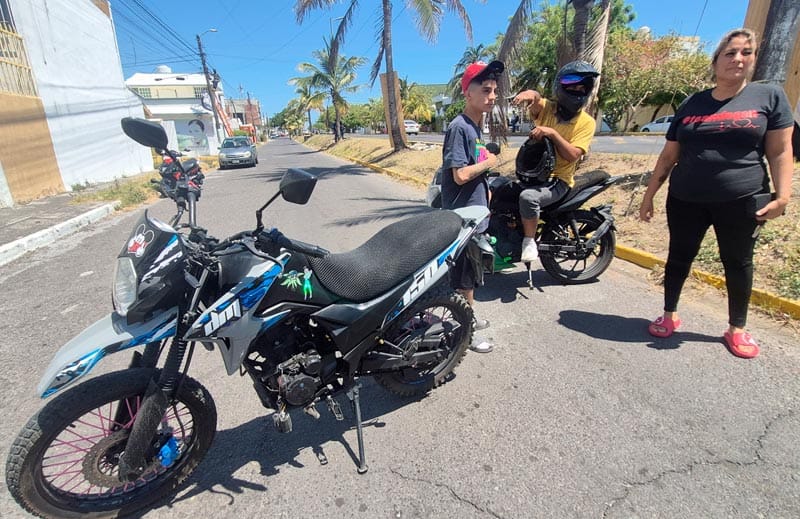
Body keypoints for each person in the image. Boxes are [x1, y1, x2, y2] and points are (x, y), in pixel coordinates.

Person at [638, 28, 793, 359]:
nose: (738, 58)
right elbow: (669, 155)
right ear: (716, 61)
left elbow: (780, 151)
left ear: (753, 59)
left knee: (737, 261)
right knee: (679, 256)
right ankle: (669, 314)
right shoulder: (693, 102)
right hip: (685, 198)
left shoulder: (768, 96)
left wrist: (783, 196)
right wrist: (649, 195)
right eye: (730, 52)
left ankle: (736, 328)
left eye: (746, 52)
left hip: (742, 199)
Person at [441, 59, 503, 353]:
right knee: (464, 279)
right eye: (486, 90)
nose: (493, 96)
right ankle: (464, 333)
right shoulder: (460, 128)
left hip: (474, 216)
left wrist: (486, 191)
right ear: (468, 93)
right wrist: (490, 162)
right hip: (462, 220)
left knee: (470, 277)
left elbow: (473, 172)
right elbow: (461, 174)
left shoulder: (475, 128)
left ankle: (468, 318)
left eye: (494, 91)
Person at [512, 60, 600, 262]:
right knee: (503, 190)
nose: (577, 90)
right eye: (572, 85)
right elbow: (536, 101)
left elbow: (573, 155)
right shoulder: (548, 109)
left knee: (528, 198)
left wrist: (551, 133)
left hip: (558, 180)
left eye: (582, 87)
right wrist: (531, 93)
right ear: (560, 86)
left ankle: (529, 242)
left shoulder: (586, 122)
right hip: (537, 175)